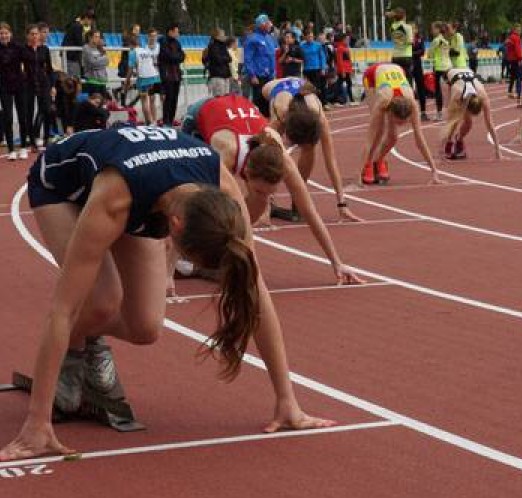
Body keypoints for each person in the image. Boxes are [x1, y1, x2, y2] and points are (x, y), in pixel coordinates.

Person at [0, 126, 336, 462]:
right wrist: (37, 424)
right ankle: (77, 350)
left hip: (146, 184)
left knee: (146, 327)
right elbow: (63, 309)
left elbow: (255, 290)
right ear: (173, 227)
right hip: (63, 188)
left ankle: (87, 337)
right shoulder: (115, 200)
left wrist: (286, 399)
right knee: (99, 302)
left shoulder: (225, 196)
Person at [181, 94, 363, 287]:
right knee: (204, 201)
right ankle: (186, 259)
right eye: (259, 190)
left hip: (238, 115)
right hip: (200, 118)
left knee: (253, 206)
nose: (264, 197)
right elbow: (191, 203)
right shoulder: (225, 154)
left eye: (270, 192)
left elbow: (310, 213)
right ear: (247, 175)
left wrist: (337, 262)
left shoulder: (285, 162)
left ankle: (218, 256)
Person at [262, 78, 360, 221]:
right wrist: (263, 205)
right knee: (272, 151)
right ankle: (269, 203)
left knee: (310, 148)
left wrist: (342, 204)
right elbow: (260, 151)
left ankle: (297, 198)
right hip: (273, 88)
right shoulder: (281, 114)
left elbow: (330, 161)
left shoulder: (318, 117)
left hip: (303, 91)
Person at [358, 63, 440, 185]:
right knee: (378, 131)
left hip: (396, 71)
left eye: (403, 122)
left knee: (394, 137)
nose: (401, 125)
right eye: (398, 122)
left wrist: (434, 172)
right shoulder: (383, 100)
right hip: (371, 77)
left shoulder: (412, 103)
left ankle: (379, 160)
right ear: (390, 112)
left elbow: (420, 140)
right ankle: (369, 163)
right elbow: (369, 140)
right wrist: (358, 176)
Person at [442, 68, 501, 160]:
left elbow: (490, 124)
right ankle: (448, 143)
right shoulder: (457, 92)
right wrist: (446, 143)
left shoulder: (483, 96)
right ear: (467, 107)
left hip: (466, 77)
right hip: (449, 79)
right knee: (454, 119)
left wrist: (498, 151)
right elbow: (452, 121)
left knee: (469, 123)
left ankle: (459, 140)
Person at [22, 24, 55, 152]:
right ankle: (33, 141)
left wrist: (52, 85)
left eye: (36, 34)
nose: (35, 36)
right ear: (27, 36)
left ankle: (47, 138)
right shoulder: (23, 50)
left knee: (47, 110)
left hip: (43, 83)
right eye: (32, 34)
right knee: (29, 113)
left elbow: (50, 69)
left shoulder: (44, 49)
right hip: (28, 84)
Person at [0, 22, 28, 160]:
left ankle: (23, 147)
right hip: (4, 86)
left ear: (10, 34)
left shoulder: (18, 47)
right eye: (1, 33)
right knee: (8, 118)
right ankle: (11, 149)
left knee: (22, 117)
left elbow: (28, 60)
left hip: (19, 85)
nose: (4, 35)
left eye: (6, 33)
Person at [128, 29, 161, 125]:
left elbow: (134, 66)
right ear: (148, 37)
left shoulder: (159, 46)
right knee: (149, 98)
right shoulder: (145, 48)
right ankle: (151, 121)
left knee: (150, 99)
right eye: (151, 36)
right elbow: (141, 63)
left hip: (153, 75)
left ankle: (152, 121)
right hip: (152, 76)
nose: (153, 38)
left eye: (155, 36)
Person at [158, 24, 185, 126]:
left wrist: (176, 57)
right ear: (170, 31)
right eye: (176, 31)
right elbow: (167, 56)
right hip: (167, 75)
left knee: (174, 99)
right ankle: (166, 121)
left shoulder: (177, 43)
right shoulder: (162, 41)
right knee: (168, 99)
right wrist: (176, 57)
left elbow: (182, 56)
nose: (178, 34)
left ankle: (171, 120)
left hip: (176, 76)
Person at [428, 22, 451, 121]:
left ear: (438, 29)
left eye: (433, 29)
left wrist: (432, 55)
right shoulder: (446, 40)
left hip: (439, 67)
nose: (431, 31)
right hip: (448, 66)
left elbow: (430, 54)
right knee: (451, 89)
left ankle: (439, 113)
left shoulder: (436, 40)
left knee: (438, 91)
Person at [62, 9, 94, 79]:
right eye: (91, 20)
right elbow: (80, 42)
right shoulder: (77, 26)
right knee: (74, 80)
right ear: (85, 18)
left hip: (70, 56)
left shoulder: (75, 25)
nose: (91, 22)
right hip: (71, 57)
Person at [300, 29, 327, 106]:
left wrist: (323, 68)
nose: (310, 38)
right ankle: (310, 103)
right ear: (305, 37)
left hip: (316, 68)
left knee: (317, 87)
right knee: (307, 87)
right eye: (308, 37)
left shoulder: (318, 45)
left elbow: (322, 57)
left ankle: (321, 103)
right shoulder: (302, 46)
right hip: (306, 69)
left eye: (311, 36)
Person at [387, 7, 413, 83]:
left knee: (397, 79)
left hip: (395, 55)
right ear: (404, 16)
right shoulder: (408, 27)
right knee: (407, 78)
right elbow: (410, 41)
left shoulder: (392, 27)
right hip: (406, 55)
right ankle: (409, 94)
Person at [204, 28, 232, 97]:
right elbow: (218, 59)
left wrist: (225, 58)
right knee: (219, 97)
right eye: (222, 35)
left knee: (226, 96)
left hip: (225, 74)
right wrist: (225, 58)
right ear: (217, 36)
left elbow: (229, 58)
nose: (224, 36)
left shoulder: (223, 46)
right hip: (217, 75)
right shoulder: (213, 46)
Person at [81, 29, 108, 95]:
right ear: (90, 38)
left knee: (103, 103)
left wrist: (98, 60)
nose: (98, 39)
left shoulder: (100, 48)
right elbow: (93, 63)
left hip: (102, 80)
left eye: (99, 37)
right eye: (96, 37)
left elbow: (107, 61)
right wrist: (102, 60)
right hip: (92, 81)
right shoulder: (86, 48)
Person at [334, 33, 356, 106]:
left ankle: (350, 100)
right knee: (342, 84)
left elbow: (349, 60)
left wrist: (351, 69)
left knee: (346, 84)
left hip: (347, 69)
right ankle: (338, 100)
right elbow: (339, 61)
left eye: (348, 39)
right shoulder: (340, 48)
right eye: (347, 39)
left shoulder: (346, 48)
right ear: (343, 40)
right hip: (343, 70)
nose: (348, 41)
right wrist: (342, 71)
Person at [411, 28, 427, 118]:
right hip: (409, 65)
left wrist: (412, 53)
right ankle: (408, 112)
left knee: (421, 88)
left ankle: (423, 111)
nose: (412, 30)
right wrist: (416, 53)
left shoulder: (420, 39)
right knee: (408, 89)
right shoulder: (407, 40)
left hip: (417, 66)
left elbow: (422, 51)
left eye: (414, 28)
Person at [505, 25, 522, 102]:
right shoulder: (516, 38)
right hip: (516, 59)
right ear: (515, 30)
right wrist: (520, 59)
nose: (520, 31)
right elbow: (518, 49)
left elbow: (506, 45)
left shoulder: (509, 38)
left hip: (510, 59)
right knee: (519, 77)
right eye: (519, 30)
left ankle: (509, 92)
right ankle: (519, 94)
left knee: (512, 76)